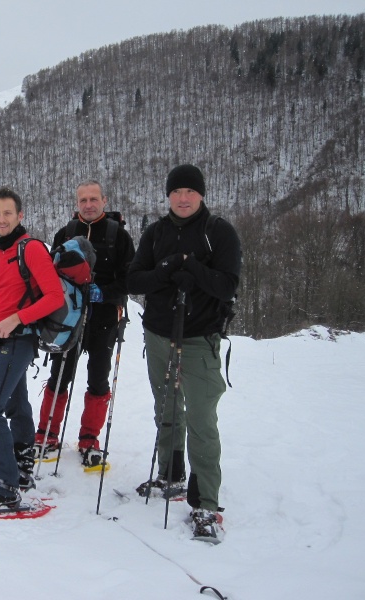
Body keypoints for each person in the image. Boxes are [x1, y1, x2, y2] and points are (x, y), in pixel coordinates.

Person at [126, 164, 241, 541]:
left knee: (202, 420)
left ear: (201, 194)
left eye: (190, 192)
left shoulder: (218, 232)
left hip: (198, 339)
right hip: (158, 334)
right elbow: (134, 278)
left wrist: (194, 270)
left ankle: (206, 502)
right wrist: (167, 270)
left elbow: (226, 287)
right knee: (167, 408)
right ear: (168, 195)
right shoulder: (156, 232)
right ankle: (170, 473)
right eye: (177, 192)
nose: (183, 198)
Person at [0, 188, 65, 512]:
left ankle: (5, 484)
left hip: (19, 340)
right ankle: (22, 468)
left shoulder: (32, 248)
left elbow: (54, 296)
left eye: (8, 213)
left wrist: (17, 318)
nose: (2, 219)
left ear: (20, 215)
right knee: (17, 406)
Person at [33, 180, 135, 467]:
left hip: (104, 319)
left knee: (98, 378)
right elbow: (47, 274)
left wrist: (106, 293)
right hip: (67, 318)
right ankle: (47, 434)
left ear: (104, 200)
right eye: (83, 200)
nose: (88, 205)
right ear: (76, 204)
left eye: (93, 199)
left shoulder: (119, 236)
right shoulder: (65, 233)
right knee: (59, 374)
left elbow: (130, 278)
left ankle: (89, 438)